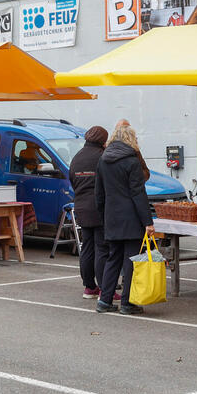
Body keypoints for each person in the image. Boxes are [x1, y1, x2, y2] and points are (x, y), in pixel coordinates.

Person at [95, 123, 154, 315]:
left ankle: (104, 300)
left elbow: (99, 194)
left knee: (114, 258)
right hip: (130, 218)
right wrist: (148, 221)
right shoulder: (132, 161)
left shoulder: (103, 160)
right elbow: (138, 193)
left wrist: (104, 216)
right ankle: (127, 303)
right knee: (130, 261)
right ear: (131, 139)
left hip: (111, 216)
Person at [70, 126, 112, 300]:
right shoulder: (102, 157)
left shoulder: (77, 157)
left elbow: (72, 179)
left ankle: (89, 287)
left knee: (87, 246)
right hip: (99, 207)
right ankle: (104, 288)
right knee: (101, 248)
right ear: (103, 140)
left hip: (81, 206)